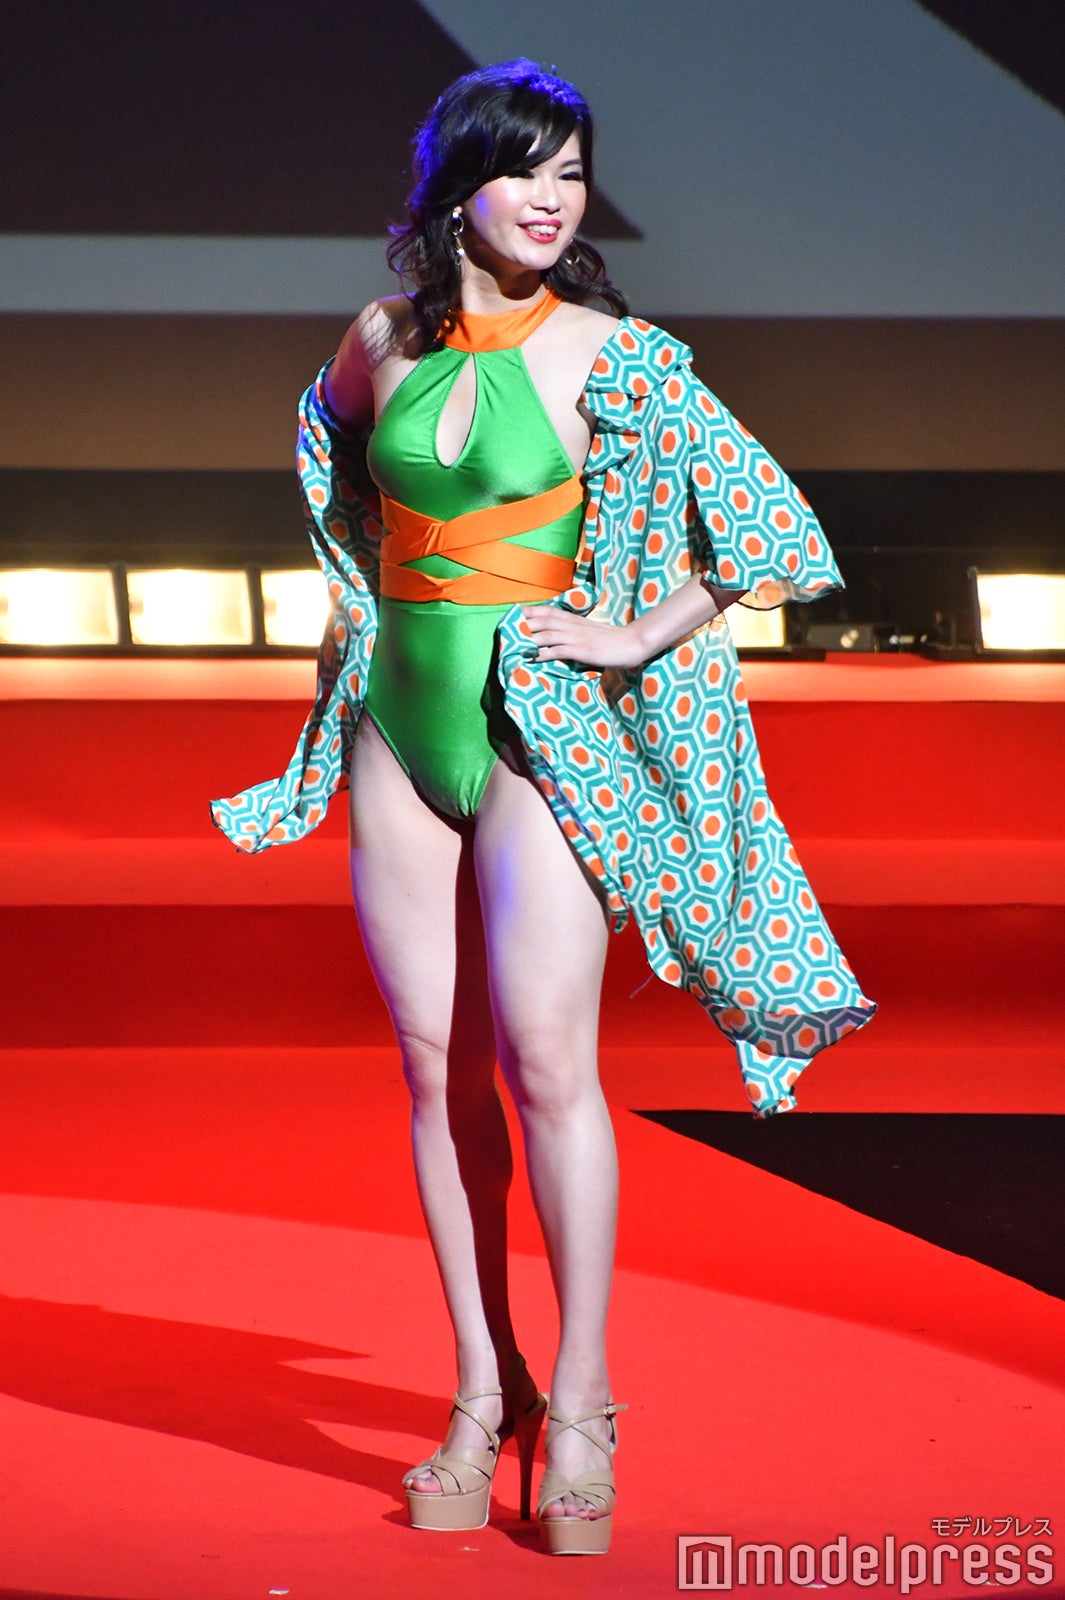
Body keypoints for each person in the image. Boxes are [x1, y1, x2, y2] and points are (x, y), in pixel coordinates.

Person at [212, 59, 875, 1555]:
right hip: (397, 725)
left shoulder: (616, 354)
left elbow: (768, 524)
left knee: (548, 1066)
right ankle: (479, 1386)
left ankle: (580, 1400)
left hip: (536, 730)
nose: (555, 197)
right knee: (434, 1068)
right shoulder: (377, 339)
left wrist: (634, 635)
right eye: (528, 167)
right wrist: (355, 608)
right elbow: (332, 463)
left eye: (573, 172)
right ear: (458, 186)